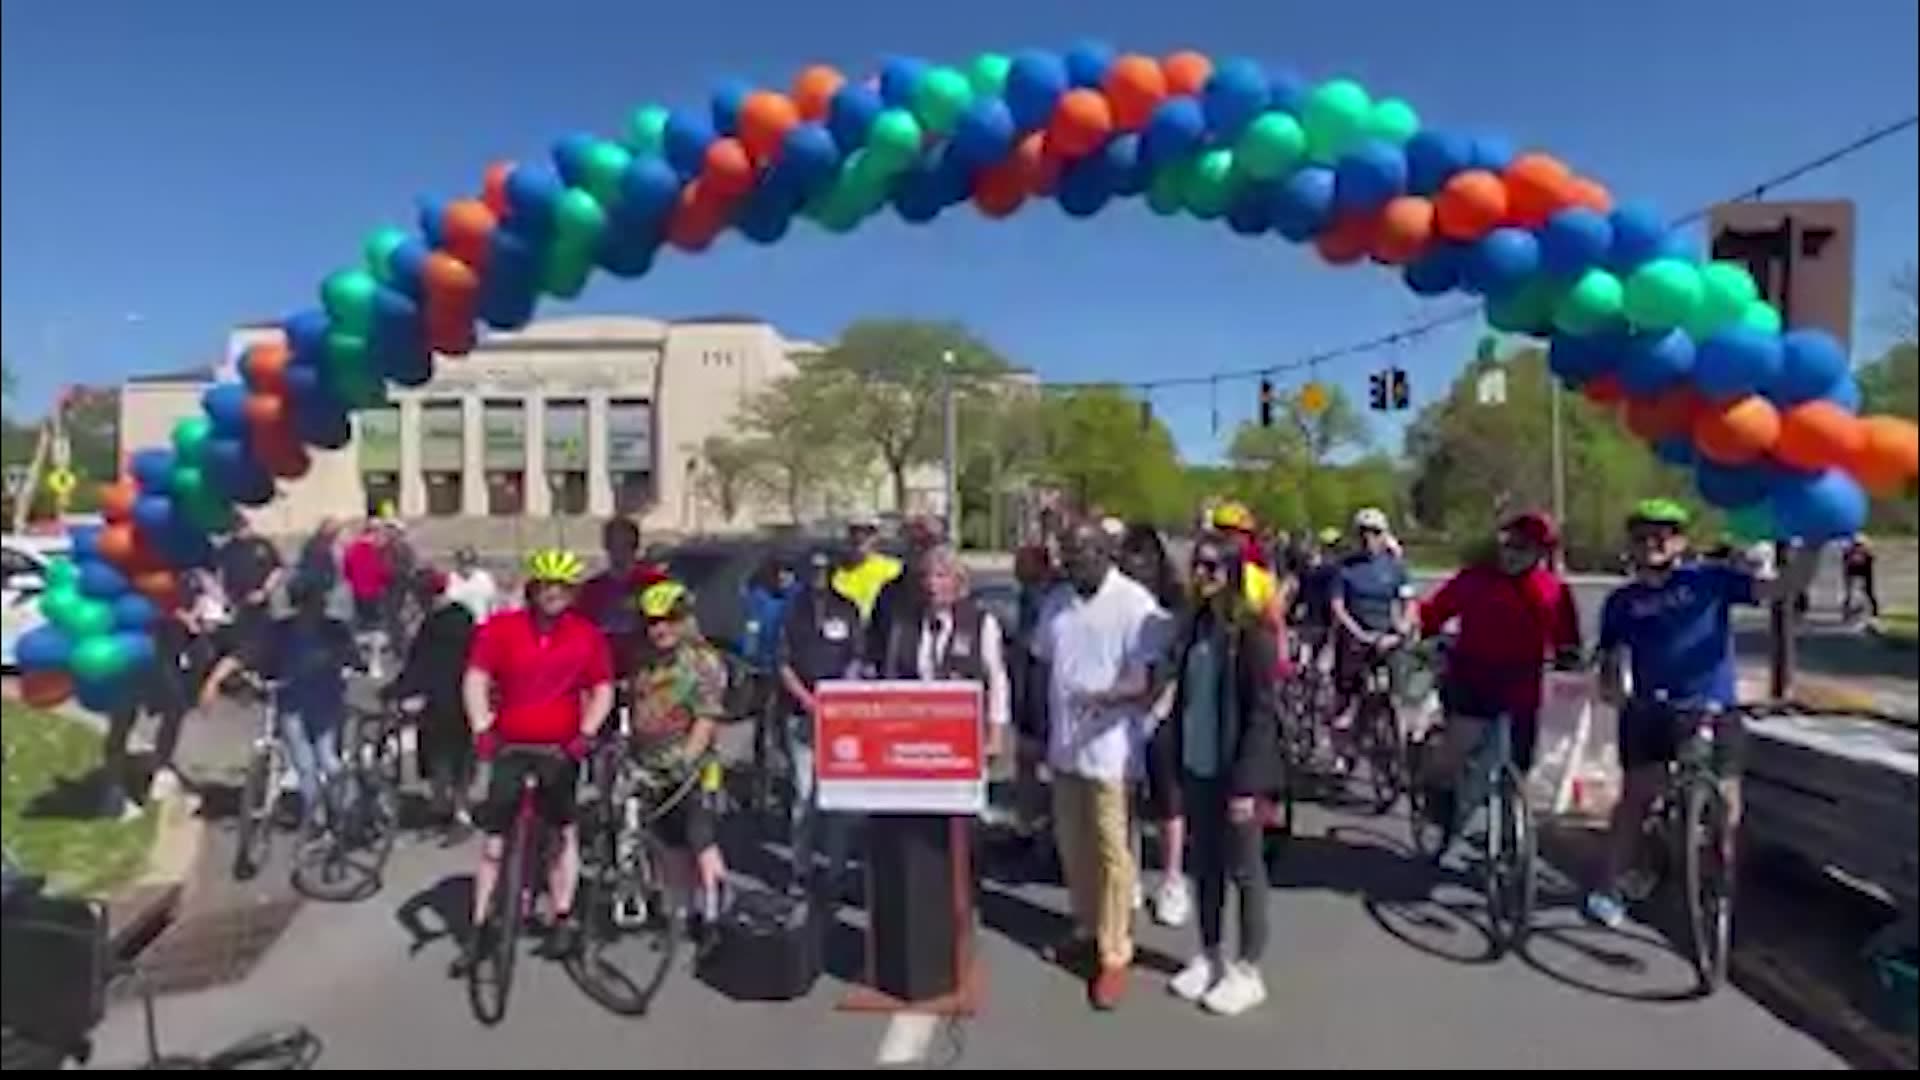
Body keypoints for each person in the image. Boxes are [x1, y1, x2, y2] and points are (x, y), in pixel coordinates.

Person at [1581, 500, 1819, 929]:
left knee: (1726, 805)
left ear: (1681, 541)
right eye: (1642, 535)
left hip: (1712, 708)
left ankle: (1719, 887)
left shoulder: (1711, 580)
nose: (1653, 542)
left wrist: (1813, 547)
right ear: (1630, 545)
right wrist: (1612, 686)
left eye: (1664, 533)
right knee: (1636, 799)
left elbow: (1782, 587)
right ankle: (1610, 887)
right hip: (1650, 712)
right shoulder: (1621, 601)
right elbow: (1611, 660)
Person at [1031, 520, 1170, 1011]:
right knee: (1074, 847)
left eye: (1081, 554)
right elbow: (1042, 662)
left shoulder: (1134, 604)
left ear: (1105, 553)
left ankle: (1114, 954)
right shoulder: (1056, 603)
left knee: (1113, 852)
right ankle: (1086, 928)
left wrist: (1107, 697)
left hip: (1111, 750)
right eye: (1067, 555)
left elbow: (1150, 680)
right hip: (1066, 748)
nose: (1072, 564)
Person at [454, 549, 613, 972]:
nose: (553, 594)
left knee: (562, 833)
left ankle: (562, 915)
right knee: (493, 843)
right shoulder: (502, 629)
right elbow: (476, 678)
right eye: (546, 586)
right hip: (510, 744)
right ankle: (480, 927)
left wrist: (587, 733)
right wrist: (482, 726)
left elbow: (602, 688)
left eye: (562, 588)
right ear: (533, 588)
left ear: (573, 593)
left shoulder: (586, 635)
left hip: (560, 748)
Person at [1163, 533, 1282, 1016]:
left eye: (1214, 567)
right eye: (1198, 566)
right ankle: (1209, 955)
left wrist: (1249, 784)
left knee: (1245, 870)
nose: (1203, 575)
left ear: (1233, 573)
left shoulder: (1251, 634)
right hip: (1198, 765)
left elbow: (1261, 715)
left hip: (1237, 774)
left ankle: (1248, 969)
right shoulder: (1194, 626)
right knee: (1205, 866)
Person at [1414, 512, 1582, 832]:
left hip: (1522, 686)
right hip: (1471, 676)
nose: (1514, 554)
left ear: (1539, 553)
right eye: (1510, 545)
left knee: (1520, 765)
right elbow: (1434, 612)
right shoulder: (1474, 580)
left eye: (1525, 548)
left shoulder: (1553, 590)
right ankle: (1437, 790)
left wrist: (1569, 658)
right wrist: (1421, 630)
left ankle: (1511, 835)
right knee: (1460, 745)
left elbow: (1567, 640)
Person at [198, 575, 358, 834]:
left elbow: (352, 658)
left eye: (314, 603)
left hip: (323, 703)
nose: (313, 608)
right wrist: (214, 681)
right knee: (306, 763)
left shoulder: (329, 630)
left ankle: (343, 811)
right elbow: (244, 654)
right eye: (309, 603)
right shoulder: (285, 631)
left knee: (326, 759)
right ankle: (318, 816)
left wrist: (338, 662)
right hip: (295, 703)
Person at [628, 580, 731, 934]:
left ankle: (714, 915)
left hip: (694, 768)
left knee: (700, 841)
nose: (660, 628)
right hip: (651, 766)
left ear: (685, 620)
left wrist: (688, 757)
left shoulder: (702, 662)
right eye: (652, 621)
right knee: (668, 843)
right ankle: (682, 912)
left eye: (669, 619)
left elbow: (707, 716)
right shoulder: (643, 662)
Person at [777, 548, 865, 898]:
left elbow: (857, 657)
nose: (818, 576)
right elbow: (782, 663)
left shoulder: (848, 607)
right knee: (804, 796)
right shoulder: (791, 612)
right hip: (801, 713)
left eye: (824, 570)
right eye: (812, 570)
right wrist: (807, 699)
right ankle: (800, 869)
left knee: (838, 798)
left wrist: (840, 697)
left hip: (840, 717)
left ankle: (837, 870)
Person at [1117, 523, 1190, 928]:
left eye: (1145, 555)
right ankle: (1128, 875)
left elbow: (1179, 653)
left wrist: (1165, 699)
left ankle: (1172, 879)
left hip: (1164, 707)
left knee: (1168, 799)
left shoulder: (1174, 600)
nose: (1137, 563)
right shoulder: (1117, 598)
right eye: (1131, 555)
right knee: (1123, 796)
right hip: (1123, 710)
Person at [101, 574, 209, 818]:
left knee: (175, 710)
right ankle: (113, 788)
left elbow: (198, 594)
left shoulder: (186, 568)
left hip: (169, 653)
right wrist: (180, 615)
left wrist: (197, 612)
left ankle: (161, 772)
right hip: (131, 651)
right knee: (122, 718)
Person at [382, 568, 477, 844]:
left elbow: (419, 665)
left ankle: (446, 812)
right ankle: (458, 812)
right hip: (464, 696)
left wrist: (396, 691)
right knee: (458, 758)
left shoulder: (431, 625)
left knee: (439, 758)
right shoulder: (464, 616)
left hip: (438, 700)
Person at [1330, 507, 1414, 765]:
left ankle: (1398, 749)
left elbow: (1409, 601)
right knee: (1347, 698)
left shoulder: (1395, 568)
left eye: (1375, 533)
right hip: (1356, 637)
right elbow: (1338, 605)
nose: (1369, 539)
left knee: (1399, 695)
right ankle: (1343, 747)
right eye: (1363, 533)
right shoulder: (1345, 568)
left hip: (1388, 636)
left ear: (1384, 535)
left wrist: (1404, 627)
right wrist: (1356, 632)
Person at [574, 517, 670, 677]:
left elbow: (672, 625)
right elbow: (580, 629)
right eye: (614, 545)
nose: (620, 552)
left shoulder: (655, 583)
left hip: (646, 667)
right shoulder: (592, 588)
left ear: (635, 546)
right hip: (604, 667)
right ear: (606, 546)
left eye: (626, 545)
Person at [863, 515, 945, 666]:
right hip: (898, 682)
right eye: (914, 543)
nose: (920, 550)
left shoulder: (955, 590)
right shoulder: (889, 594)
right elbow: (873, 645)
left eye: (928, 543)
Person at [217, 515, 283, 640]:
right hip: (237, 603)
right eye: (236, 530)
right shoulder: (227, 549)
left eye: (243, 528)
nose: (241, 532)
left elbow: (277, 569)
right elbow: (219, 574)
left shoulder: (262, 545)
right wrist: (224, 599)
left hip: (261, 602)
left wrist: (265, 591)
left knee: (264, 637)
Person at [831, 515, 903, 623]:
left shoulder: (894, 569)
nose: (860, 537)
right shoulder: (834, 574)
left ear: (877, 537)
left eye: (868, 532)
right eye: (855, 531)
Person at [342, 523, 392, 634]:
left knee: (361, 619)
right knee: (374, 621)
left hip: (357, 590)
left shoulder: (352, 548)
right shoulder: (375, 550)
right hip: (373, 590)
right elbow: (381, 570)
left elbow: (346, 569)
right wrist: (385, 580)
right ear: (373, 534)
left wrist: (353, 581)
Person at [444, 546, 500, 623]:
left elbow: (493, 604)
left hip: (481, 625)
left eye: (470, 561)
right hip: (458, 625)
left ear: (475, 562)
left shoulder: (484, 579)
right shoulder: (449, 579)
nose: (467, 565)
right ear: (458, 562)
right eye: (463, 562)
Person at [1842, 534, 1878, 621]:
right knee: (1849, 594)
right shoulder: (1849, 552)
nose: (1858, 547)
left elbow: (1871, 560)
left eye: (1860, 545)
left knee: (1869, 592)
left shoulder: (1866, 554)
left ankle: (1874, 613)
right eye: (1856, 545)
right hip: (1852, 572)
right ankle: (1847, 613)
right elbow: (1845, 562)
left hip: (1864, 572)